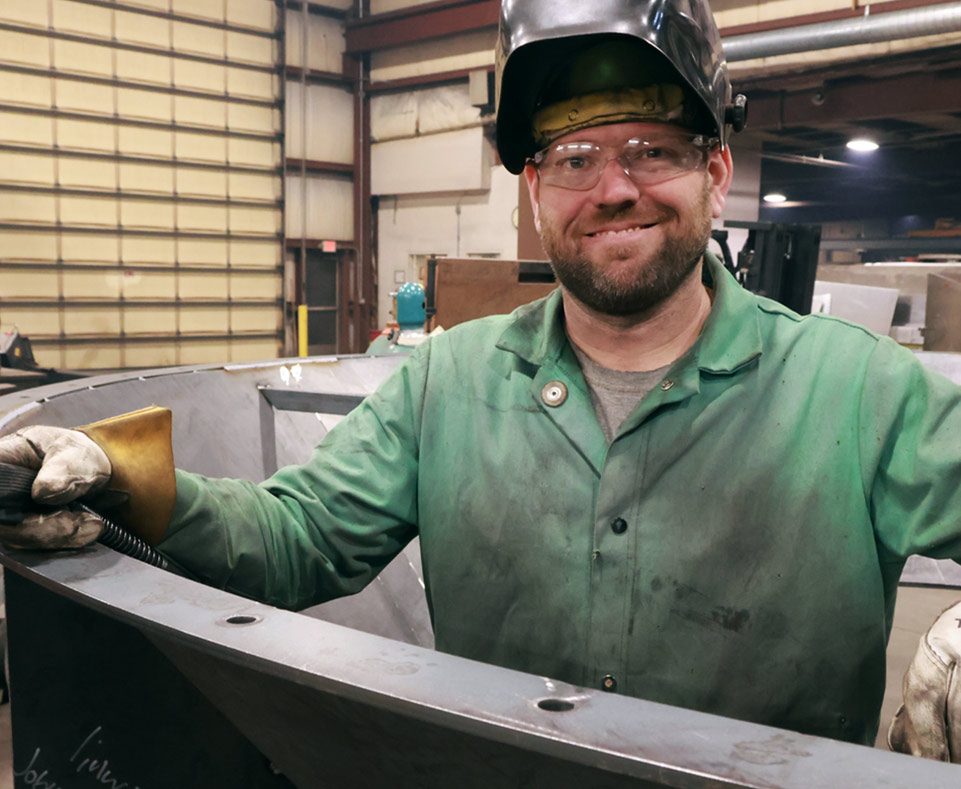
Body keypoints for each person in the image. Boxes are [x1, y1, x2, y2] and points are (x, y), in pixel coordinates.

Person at [1, 0, 960, 763]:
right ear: (533, 190)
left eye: (651, 150)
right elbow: (296, 539)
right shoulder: (448, 379)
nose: (613, 186)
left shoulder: (861, 392)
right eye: (574, 156)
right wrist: (127, 483)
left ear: (714, 170)